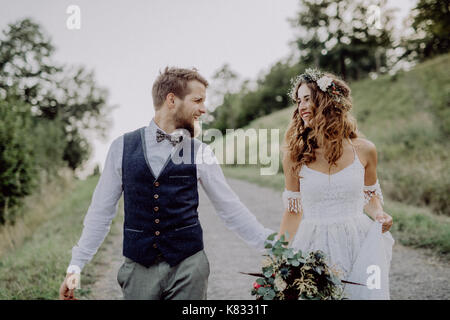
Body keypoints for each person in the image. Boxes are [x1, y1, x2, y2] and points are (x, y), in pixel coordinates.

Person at [59, 67, 273, 300]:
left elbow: (230, 209)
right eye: (197, 100)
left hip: (189, 268)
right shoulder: (121, 147)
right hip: (138, 271)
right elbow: (100, 212)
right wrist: (75, 268)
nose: (203, 108)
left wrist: (272, 246)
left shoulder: (201, 151)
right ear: (172, 99)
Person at [278, 68, 394, 299]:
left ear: (328, 102)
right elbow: (293, 212)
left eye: (307, 99)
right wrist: (277, 257)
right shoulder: (295, 155)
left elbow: (370, 195)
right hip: (312, 243)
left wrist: (380, 214)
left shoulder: (365, 150)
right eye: (298, 100)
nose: (300, 107)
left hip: (357, 241)